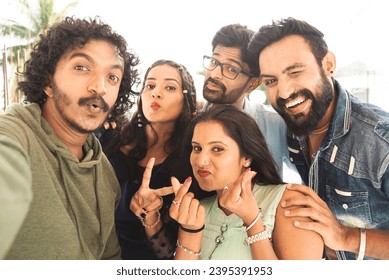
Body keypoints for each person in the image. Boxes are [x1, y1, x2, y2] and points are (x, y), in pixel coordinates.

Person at [248, 17, 389, 260]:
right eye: (271, 81)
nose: (284, 92)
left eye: (295, 72)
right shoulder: (292, 125)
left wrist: (346, 237)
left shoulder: (380, 142)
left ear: (328, 64)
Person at [0, 16, 140, 259]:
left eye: (112, 77)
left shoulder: (106, 175)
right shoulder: (14, 139)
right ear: (48, 81)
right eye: (82, 67)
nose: (100, 87)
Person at [167, 104, 323, 260]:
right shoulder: (198, 210)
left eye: (217, 149)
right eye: (197, 148)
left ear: (247, 157)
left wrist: (253, 221)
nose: (200, 161)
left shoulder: (290, 201)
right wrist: (190, 231)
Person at [103, 59, 202, 260]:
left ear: (187, 100)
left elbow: (171, 253)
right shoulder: (110, 136)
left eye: (170, 87)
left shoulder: (189, 162)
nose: (156, 93)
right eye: (150, 85)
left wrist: (151, 217)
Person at [201, 23, 301, 183]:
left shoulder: (276, 124)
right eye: (214, 61)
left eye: (231, 69)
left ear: (252, 84)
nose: (215, 74)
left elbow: (311, 176)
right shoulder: (190, 121)